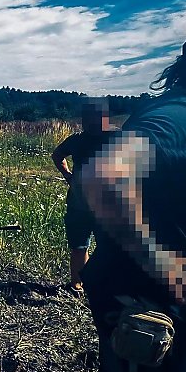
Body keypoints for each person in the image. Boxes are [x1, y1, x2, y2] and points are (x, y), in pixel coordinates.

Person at [78, 27, 186, 372]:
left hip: (136, 293)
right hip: (154, 302)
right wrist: (165, 265)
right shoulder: (182, 119)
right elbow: (106, 177)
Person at [51, 98, 115, 295]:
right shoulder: (78, 140)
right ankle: (78, 286)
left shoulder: (116, 138)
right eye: (87, 118)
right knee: (80, 246)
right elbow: (57, 155)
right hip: (81, 204)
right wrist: (68, 176)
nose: (89, 122)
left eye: (94, 118)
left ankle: (99, 284)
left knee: (108, 246)